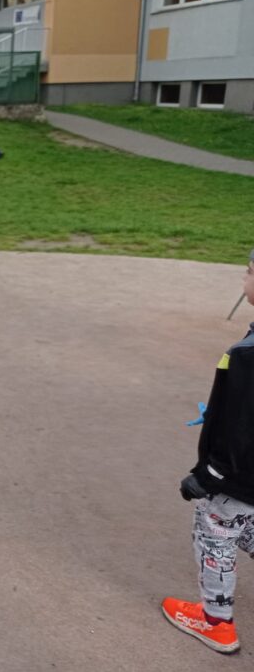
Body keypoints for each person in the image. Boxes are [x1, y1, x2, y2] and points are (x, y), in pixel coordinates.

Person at [160, 249, 254, 655]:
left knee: (214, 532)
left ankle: (216, 623)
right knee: (245, 523)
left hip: (237, 476)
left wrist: (208, 476)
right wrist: (218, 412)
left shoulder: (247, 355)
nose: (244, 278)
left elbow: (240, 430)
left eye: (249, 271)